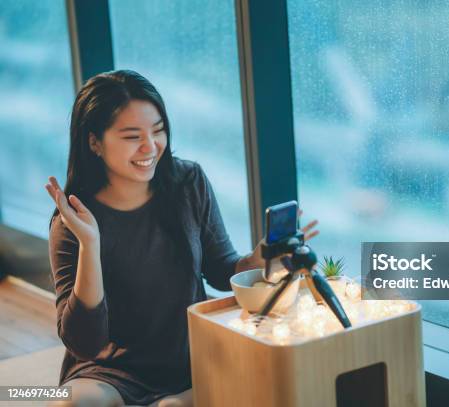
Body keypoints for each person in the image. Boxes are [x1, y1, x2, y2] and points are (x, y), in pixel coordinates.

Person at [45, 70, 318, 406]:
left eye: (158, 130)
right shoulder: (72, 223)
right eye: (132, 136)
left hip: (190, 359)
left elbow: (222, 271)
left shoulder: (188, 182)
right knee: (71, 403)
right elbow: (85, 343)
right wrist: (90, 244)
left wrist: (261, 256)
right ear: (94, 142)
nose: (150, 146)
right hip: (109, 371)